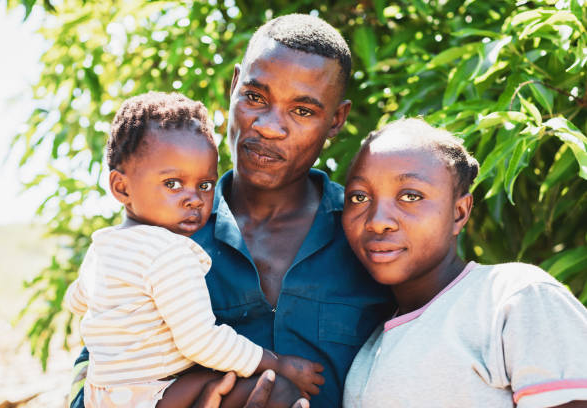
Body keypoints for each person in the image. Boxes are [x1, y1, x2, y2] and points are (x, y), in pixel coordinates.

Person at [69, 14, 393, 408]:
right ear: (233, 87)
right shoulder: (157, 235)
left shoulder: (369, 232)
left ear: (336, 120)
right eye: (255, 98)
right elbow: (95, 379)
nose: (270, 127)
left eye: (302, 111)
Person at [65, 91, 325, 408]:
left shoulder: (104, 247)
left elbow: (77, 300)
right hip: (148, 394)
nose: (194, 199)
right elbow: (200, 341)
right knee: (278, 390)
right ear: (121, 187)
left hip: (101, 394)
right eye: (173, 183)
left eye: (204, 185)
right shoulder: (168, 252)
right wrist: (276, 362)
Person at [341, 118, 587, 407]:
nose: (378, 222)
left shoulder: (513, 298)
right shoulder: (367, 354)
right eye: (359, 197)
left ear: (459, 213)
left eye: (410, 196)